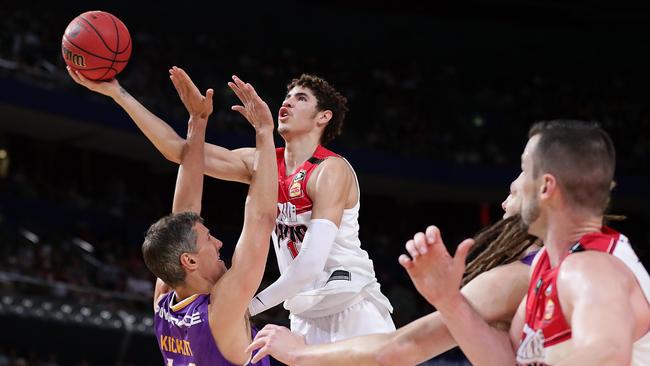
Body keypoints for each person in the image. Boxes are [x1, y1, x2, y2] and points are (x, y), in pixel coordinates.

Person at [67, 68, 394, 343]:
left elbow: (309, 264)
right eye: (287, 96)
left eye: (300, 98)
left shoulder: (330, 170)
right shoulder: (263, 163)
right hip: (305, 317)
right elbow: (182, 152)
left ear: (324, 117)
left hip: (351, 305)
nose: (287, 102)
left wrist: (242, 307)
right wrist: (118, 93)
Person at [70, 66, 278, 365]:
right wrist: (263, 131)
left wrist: (198, 120)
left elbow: (185, 214)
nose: (219, 243)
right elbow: (261, 221)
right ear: (189, 260)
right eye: (208, 239)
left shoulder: (167, 299)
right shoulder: (220, 311)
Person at [400, 120, 650, 365]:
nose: (515, 184)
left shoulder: (589, 269)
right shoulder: (548, 263)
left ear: (545, 187)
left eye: (524, 169)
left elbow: (609, 355)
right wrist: (449, 301)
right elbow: (509, 359)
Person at [244, 174, 541, 365]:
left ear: (547, 187)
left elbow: (402, 348)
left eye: (525, 169)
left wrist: (299, 354)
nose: (504, 200)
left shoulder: (514, 277)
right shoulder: (560, 265)